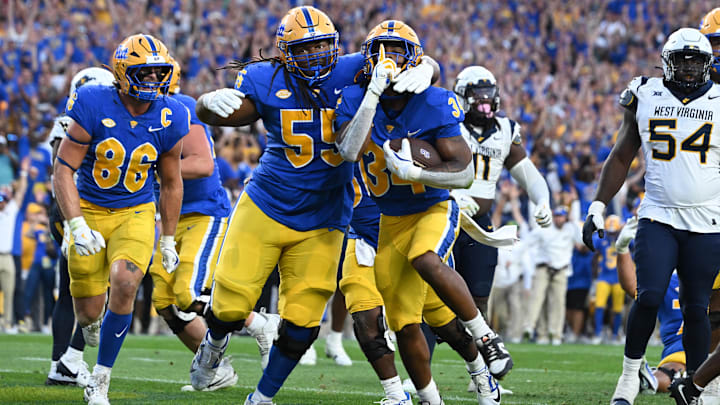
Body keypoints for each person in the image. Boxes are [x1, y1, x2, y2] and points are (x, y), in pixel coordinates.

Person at [187, 7, 438, 405]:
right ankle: (214, 344)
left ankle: (262, 398)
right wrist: (204, 104)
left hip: (326, 215)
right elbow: (222, 112)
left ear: (336, 44)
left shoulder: (353, 68)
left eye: (324, 44)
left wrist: (430, 68)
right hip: (268, 203)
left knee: (302, 325)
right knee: (230, 305)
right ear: (286, 52)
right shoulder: (263, 78)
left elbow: (408, 58)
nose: (317, 54)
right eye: (306, 48)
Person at [335, 20, 503, 405]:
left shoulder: (431, 99)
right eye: (381, 50)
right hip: (371, 224)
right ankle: (414, 397)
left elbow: (463, 171)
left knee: (439, 306)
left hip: (424, 212)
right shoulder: (350, 89)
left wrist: (429, 67)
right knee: (388, 323)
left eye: (397, 52)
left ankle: (483, 357)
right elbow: (348, 150)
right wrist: (373, 94)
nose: (387, 60)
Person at [581, 28, 720, 405]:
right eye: (683, 59)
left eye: (697, 60)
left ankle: (696, 387)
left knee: (696, 307)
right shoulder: (645, 92)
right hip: (658, 215)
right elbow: (622, 154)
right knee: (649, 296)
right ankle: (628, 376)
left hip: (707, 222)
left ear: (708, 64)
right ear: (667, 62)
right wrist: (597, 206)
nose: (690, 68)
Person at [53, 33, 188, 405]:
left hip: (135, 211)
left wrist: (168, 239)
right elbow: (63, 170)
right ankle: (91, 327)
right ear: (123, 72)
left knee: (127, 281)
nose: (152, 81)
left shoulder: (171, 113)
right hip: (91, 209)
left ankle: (100, 379)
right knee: (88, 313)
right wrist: (76, 224)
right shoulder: (94, 101)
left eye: (158, 73)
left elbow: (172, 182)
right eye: (143, 73)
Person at [450, 64, 552, 377]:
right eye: (477, 96)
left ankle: (481, 375)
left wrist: (542, 199)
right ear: (462, 98)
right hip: (445, 220)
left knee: (479, 301)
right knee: (432, 302)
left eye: (488, 95)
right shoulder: (449, 124)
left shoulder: (506, 129)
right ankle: (419, 375)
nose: (484, 102)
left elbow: (528, 174)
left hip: (481, 228)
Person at [146, 57, 238, 391]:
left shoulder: (180, 105)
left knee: (185, 292)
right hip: (175, 217)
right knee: (164, 299)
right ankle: (216, 369)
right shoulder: (139, 115)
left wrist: (150, 166)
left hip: (204, 211)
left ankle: (258, 322)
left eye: (153, 73)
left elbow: (201, 163)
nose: (148, 78)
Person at [46, 66, 115, 387]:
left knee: (71, 290)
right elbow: (62, 168)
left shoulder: (68, 117)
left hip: (66, 209)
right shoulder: (79, 119)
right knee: (93, 287)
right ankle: (70, 358)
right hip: (78, 209)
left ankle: (61, 364)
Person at [523, 206, 582, 345]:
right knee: (537, 298)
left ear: (566, 217)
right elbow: (527, 243)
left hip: (561, 269)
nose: (558, 219)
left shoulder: (570, 229)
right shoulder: (543, 229)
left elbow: (581, 240)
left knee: (558, 302)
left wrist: (574, 222)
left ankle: (555, 333)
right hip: (543, 267)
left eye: (561, 216)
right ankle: (532, 328)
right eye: (556, 216)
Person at [0, 158, 29, 334]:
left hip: (8, 256)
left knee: (10, 292)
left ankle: (8, 323)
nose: (1, 202)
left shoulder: (11, 211)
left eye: (3, 198)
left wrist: (24, 173)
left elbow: (21, 193)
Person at [591, 215, 624, 345]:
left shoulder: (624, 238)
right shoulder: (601, 238)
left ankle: (615, 335)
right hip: (603, 276)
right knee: (599, 306)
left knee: (618, 309)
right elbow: (594, 255)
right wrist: (594, 275)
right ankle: (598, 333)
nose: (612, 234)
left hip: (619, 278)